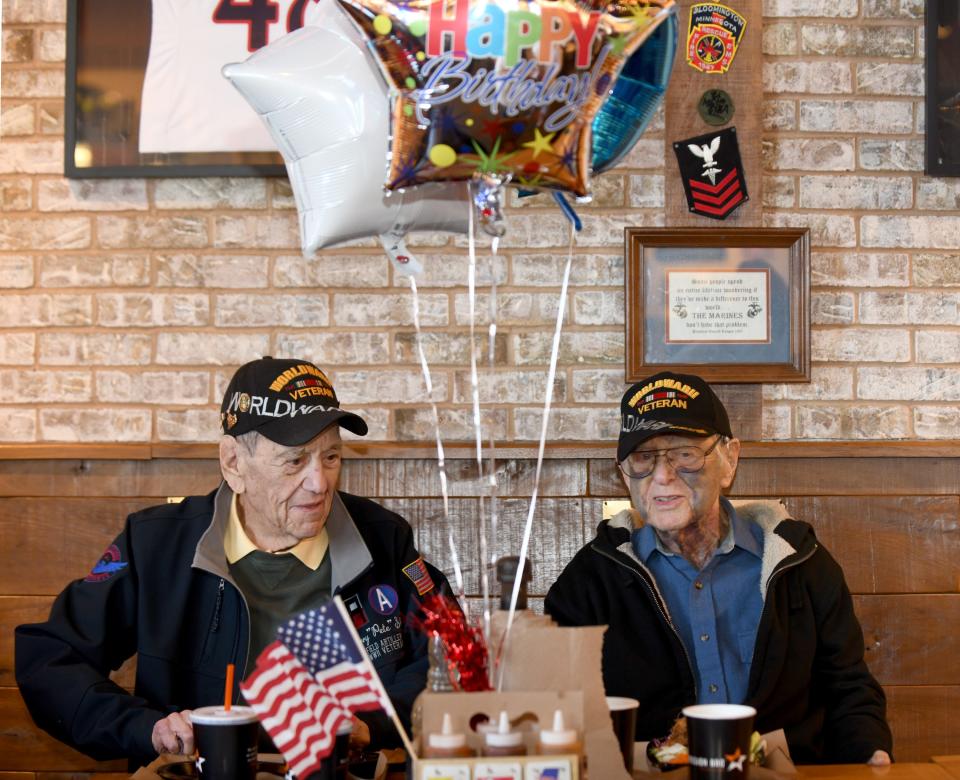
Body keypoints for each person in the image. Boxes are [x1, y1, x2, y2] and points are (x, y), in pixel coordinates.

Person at [16, 356, 450, 765]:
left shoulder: (383, 538)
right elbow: (49, 657)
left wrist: (375, 724)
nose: (319, 483)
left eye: (331, 457)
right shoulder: (156, 544)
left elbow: (450, 654)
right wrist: (145, 729)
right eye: (294, 460)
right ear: (233, 463)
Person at [544, 371, 893, 765]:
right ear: (624, 472)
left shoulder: (800, 564)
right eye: (643, 458)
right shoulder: (590, 580)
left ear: (729, 459)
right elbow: (561, 707)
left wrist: (870, 753)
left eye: (685, 454)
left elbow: (847, 686)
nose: (662, 476)